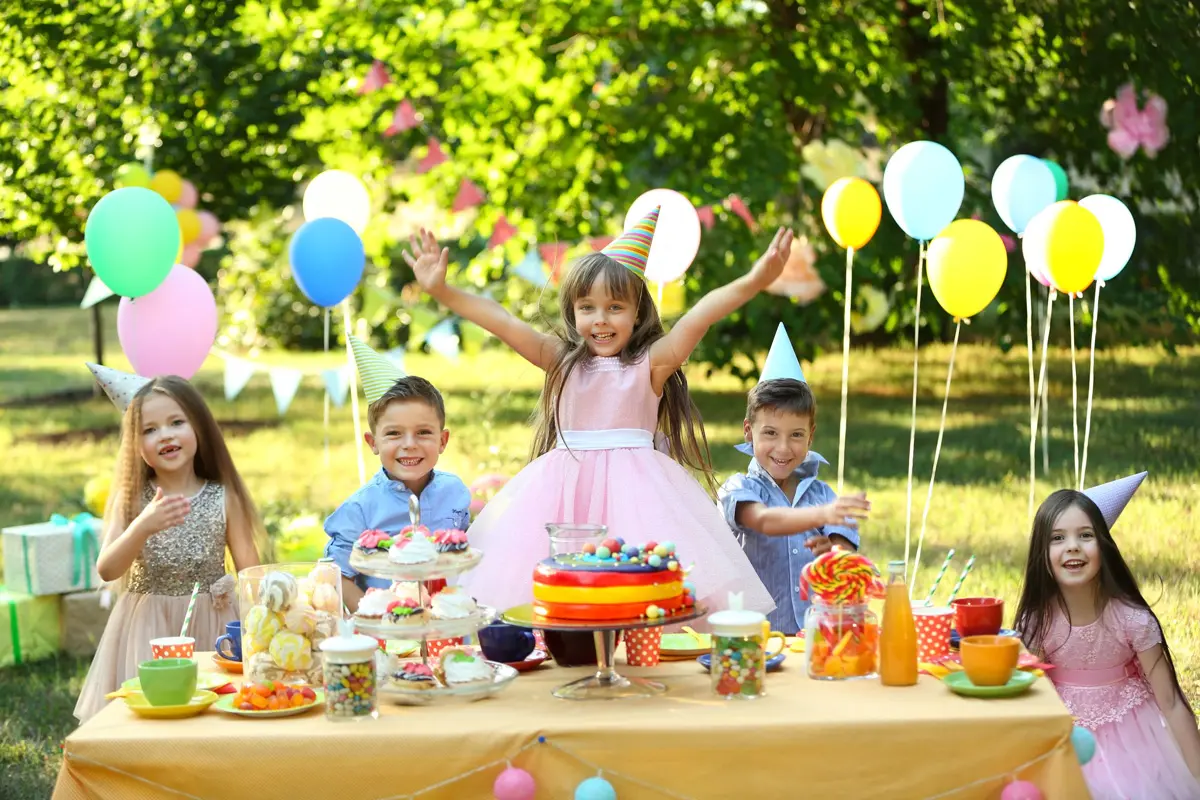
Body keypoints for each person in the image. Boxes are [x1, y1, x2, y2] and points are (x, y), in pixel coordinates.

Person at [403, 206, 782, 615]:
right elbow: (502, 321)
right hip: (560, 496)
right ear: (573, 311)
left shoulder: (650, 365)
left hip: (641, 498)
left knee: (639, 599)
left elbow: (698, 318)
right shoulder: (561, 360)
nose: (600, 321)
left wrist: (753, 281)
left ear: (637, 313)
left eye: (615, 308)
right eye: (587, 308)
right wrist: (444, 292)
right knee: (554, 595)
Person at [75, 366, 265, 722]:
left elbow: (251, 574)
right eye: (149, 429)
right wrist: (142, 526)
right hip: (148, 628)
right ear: (135, 445)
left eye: (176, 422)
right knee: (150, 713)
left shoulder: (224, 498)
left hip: (212, 624)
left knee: (210, 712)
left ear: (199, 428)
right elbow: (107, 568)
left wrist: (261, 631)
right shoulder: (131, 500)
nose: (165, 435)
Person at [1014, 473, 1200, 798]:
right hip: (1064, 738)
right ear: (1041, 556)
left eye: (1085, 535)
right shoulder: (1038, 621)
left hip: (1133, 741)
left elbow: (1170, 703)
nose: (1072, 546)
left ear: (1104, 547)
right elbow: (1027, 695)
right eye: (1057, 538)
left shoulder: (1132, 620)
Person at [717, 324, 870, 634]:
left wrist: (834, 556)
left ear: (810, 436)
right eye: (770, 433)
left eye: (796, 435)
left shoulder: (824, 495)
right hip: (758, 640)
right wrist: (821, 516)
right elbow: (763, 521)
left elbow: (845, 555)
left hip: (817, 637)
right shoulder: (738, 489)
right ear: (749, 431)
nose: (783, 449)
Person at [324, 344, 470, 612]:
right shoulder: (360, 510)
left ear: (443, 440)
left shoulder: (455, 492)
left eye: (424, 432)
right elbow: (336, 574)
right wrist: (376, 615)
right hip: (391, 638)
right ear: (373, 442)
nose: (409, 444)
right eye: (394, 434)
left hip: (447, 623)